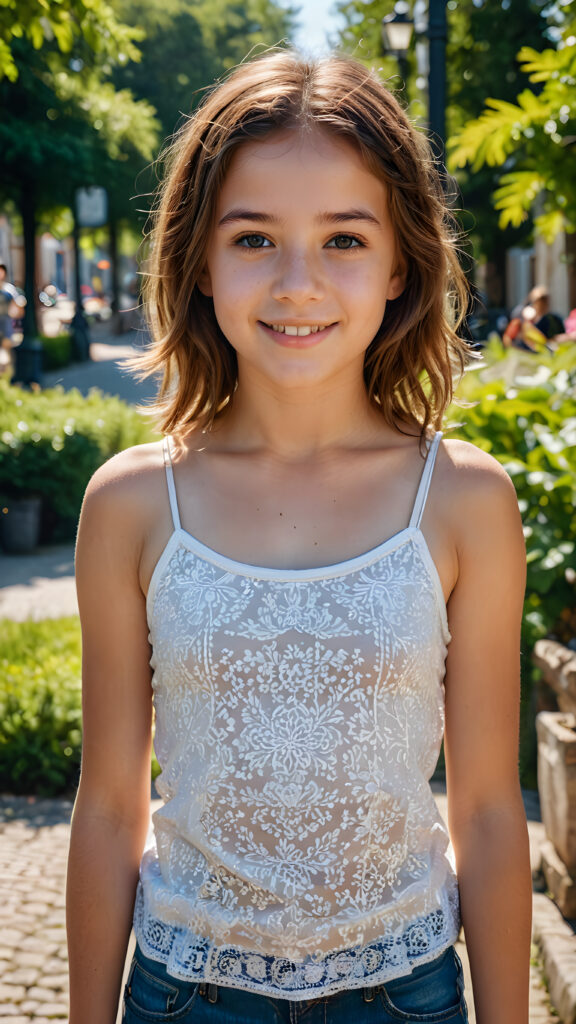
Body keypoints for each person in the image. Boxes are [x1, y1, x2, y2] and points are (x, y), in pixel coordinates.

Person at [66, 50, 532, 1024]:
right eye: (254, 238)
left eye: (344, 239)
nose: (297, 283)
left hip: (406, 995)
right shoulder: (133, 504)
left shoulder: (463, 500)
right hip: (184, 995)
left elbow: (490, 812)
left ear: (400, 263)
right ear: (199, 259)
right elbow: (108, 806)